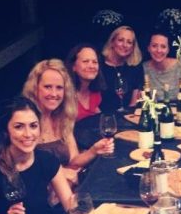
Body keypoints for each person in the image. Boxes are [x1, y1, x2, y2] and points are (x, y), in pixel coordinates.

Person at [21, 59, 112, 194]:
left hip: (66, 190)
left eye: (59, 88)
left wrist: (93, 150)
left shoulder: (62, 119)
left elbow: (74, 161)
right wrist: (61, 173)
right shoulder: (26, 121)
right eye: (48, 87)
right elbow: (22, 167)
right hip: (39, 193)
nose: (54, 94)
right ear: (35, 88)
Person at [100, 25, 144, 112]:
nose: (125, 45)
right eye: (120, 40)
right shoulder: (99, 65)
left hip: (128, 115)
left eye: (129, 42)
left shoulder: (135, 67)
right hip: (103, 115)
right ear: (112, 42)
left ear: (133, 47)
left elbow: (134, 102)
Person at [143, 31, 181, 103]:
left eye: (163, 46)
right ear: (148, 48)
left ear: (168, 50)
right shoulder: (144, 68)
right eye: (154, 46)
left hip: (178, 109)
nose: (159, 50)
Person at [66, 42, 106, 121]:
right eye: (85, 61)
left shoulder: (95, 93)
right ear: (73, 66)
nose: (91, 66)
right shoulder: (65, 94)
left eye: (95, 62)